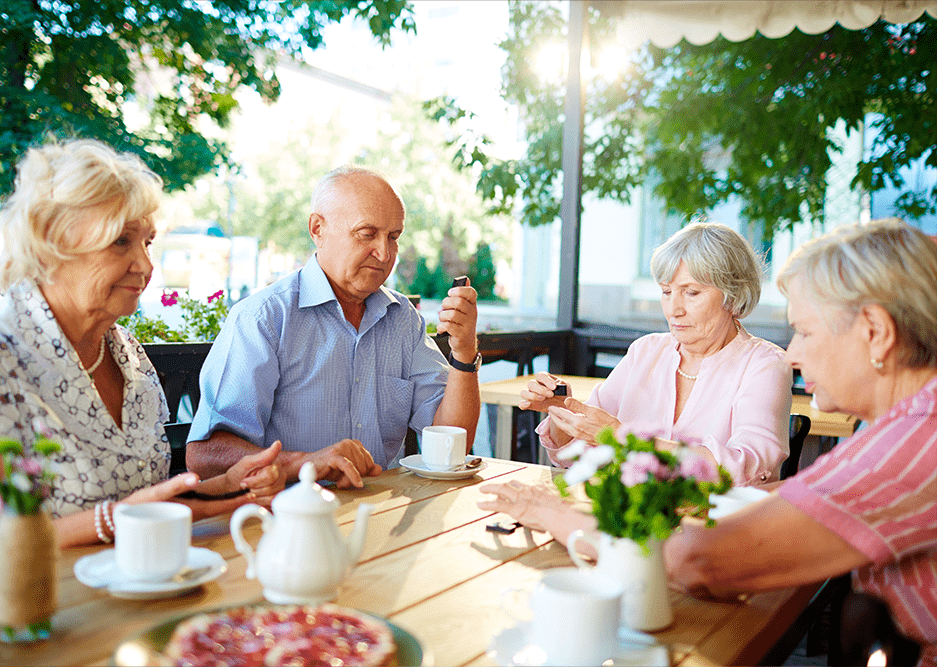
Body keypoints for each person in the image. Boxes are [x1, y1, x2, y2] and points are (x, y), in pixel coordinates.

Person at [479, 219, 937, 665]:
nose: (793, 353)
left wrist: (558, 516)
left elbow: (693, 560)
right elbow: (790, 494)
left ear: (875, 332)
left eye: (806, 331)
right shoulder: (908, 428)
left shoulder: (914, 445)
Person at [0, 139, 281, 576]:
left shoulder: (126, 354)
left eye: (148, 242)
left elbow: (141, 506)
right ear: (51, 247)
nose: (145, 264)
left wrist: (221, 488)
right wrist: (107, 521)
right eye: (121, 242)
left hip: (141, 598)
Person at [186, 166, 481, 488]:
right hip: (286, 520)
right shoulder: (264, 319)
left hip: (378, 514)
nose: (384, 254)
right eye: (366, 234)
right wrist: (305, 463)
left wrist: (464, 352)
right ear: (317, 229)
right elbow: (206, 456)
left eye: (393, 237)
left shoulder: (403, 319)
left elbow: (455, 444)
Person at [523, 222, 791, 485]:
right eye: (666, 291)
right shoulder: (645, 351)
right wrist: (562, 415)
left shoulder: (765, 365)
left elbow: (750, 469)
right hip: (628, 519)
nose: (674, 309)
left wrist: (625, 440)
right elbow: (580, 454)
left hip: (716, 526)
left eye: (692, 292)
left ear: (733, 296)